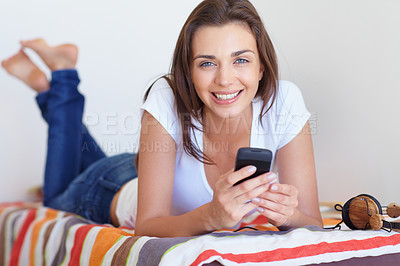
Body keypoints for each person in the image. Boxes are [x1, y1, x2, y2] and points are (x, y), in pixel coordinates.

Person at [2, 0, 322, 237]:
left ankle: (51, 87)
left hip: (152, 164)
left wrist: (287, 215)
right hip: (112, 186)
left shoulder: (284, 101)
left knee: (82, 158)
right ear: (189, 71)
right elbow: (147, 227)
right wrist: (212, 216)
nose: (226, 80)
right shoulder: (166, 98)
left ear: (261, 67)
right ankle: (62, 76)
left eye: (240, 60)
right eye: (207, 63)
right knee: (54, 199)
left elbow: (311, 222)